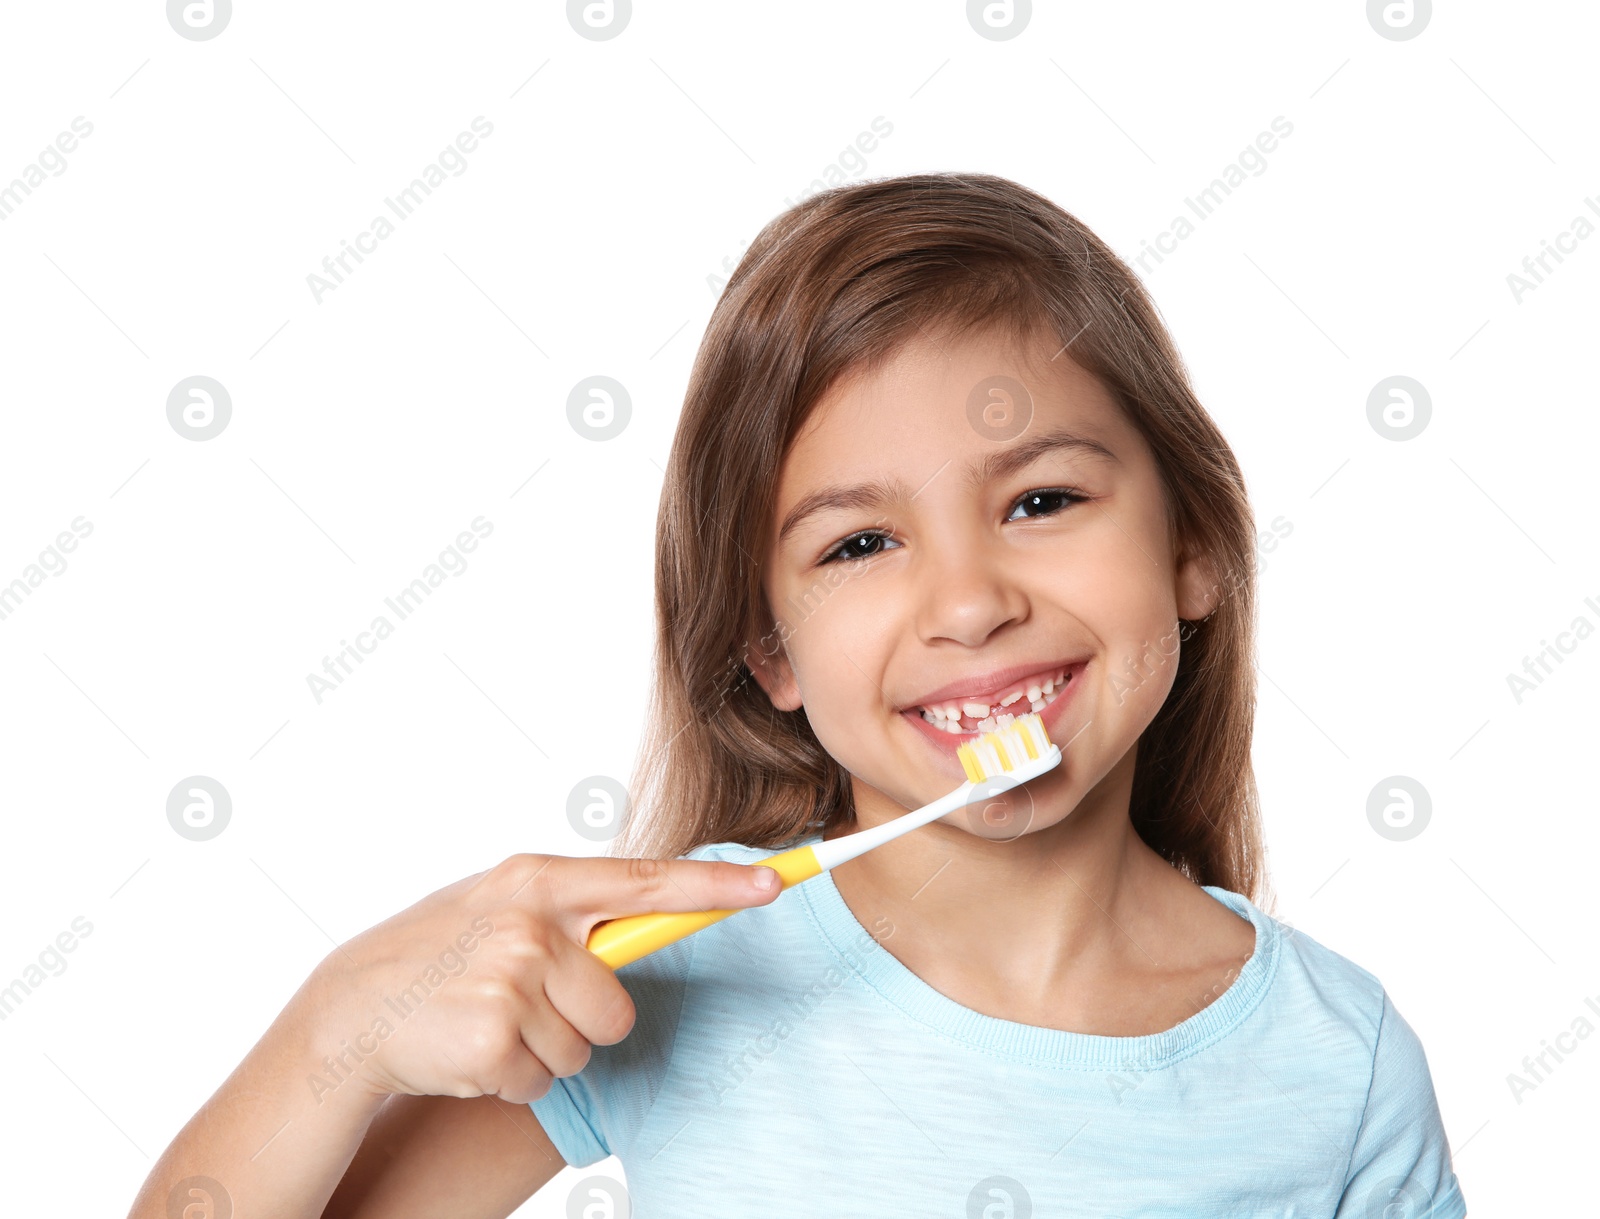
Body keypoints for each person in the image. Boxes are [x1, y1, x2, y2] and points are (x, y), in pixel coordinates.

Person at [130, 172, 1467, 1218]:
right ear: (769, 653)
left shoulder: (1336, 1063)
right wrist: (337, 1030)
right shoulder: (671, 983)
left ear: (1191, 550)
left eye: (1043, 500)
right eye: (858, 545)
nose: (967, 601)